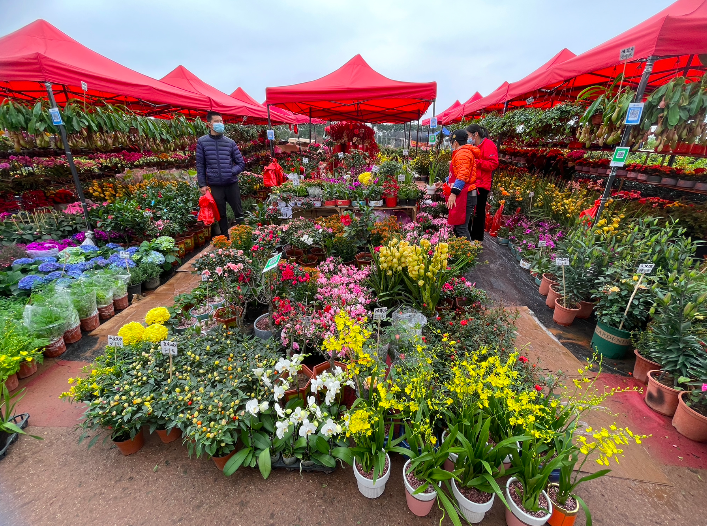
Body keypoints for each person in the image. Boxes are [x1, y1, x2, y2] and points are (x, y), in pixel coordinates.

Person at [196, 111, 246, 239]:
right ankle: (225, 239)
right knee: (221, 214)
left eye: (221, 121)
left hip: (231, 183)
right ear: (209, 124)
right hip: (215, 185)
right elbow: (200, 164)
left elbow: (241, 163)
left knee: (238, 212)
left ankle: (244, 237)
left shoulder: (230, 142)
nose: (220, 124)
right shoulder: (202, 142)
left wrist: (231, 172)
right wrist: (202, 184)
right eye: (217, 121)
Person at [436, 130, 480, 239]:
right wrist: (444, 182)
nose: (451, 145)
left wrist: (453, 194)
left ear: (455, 142)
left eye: (451, 142)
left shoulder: (463, 153)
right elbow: (456, 175)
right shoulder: (463, 153)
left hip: (465, 195)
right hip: (465, 194)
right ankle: (464, 251)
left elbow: (462, 176)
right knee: (460, 226)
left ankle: (468, 253)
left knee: (461, 227)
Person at [466, 124, 498, 242]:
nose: (468, 138)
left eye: (469, 135)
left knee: (479, 212)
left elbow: (493, 164)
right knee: (469, 210)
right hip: (471, 183)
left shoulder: (489, 145)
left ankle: (477, 239)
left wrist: (477, 162)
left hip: (482, 185)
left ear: (476, 134)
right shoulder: (472, 145)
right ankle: (467, 237)